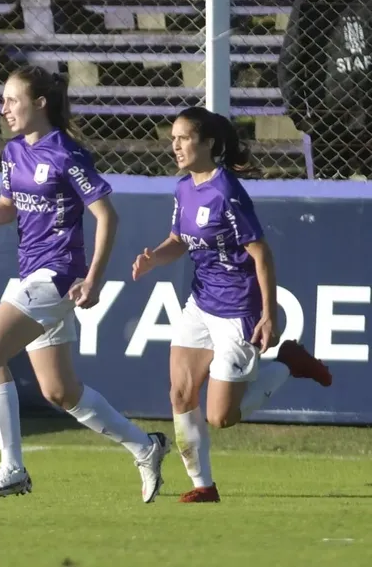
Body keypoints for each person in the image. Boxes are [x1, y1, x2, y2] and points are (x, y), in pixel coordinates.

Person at [0, 66, 171, 503]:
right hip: (30, 275)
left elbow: (106, 216)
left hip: (56, 277)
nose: (3, 110)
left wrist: (93, 278)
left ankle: (12, 467)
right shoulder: (13, 151)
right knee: (60, 391)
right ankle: (145, 446)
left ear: (39, 104)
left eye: (12, 101)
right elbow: (8, 204)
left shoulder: (66, 154)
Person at [132, 107, 333, 503]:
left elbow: (261, 255)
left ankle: (288, 363)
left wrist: (269, 314)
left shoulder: (227, 192)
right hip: (201, 302)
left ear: (208, 143)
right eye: (172, 138)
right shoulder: (184, 188)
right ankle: (203, 486)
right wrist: (154, 257)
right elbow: (178, 240)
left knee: (220, 418)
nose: (175, 145)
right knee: (180, 394)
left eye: (183, 138)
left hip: (238, 310)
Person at [278, 0, 372, 179]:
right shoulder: (310, 4)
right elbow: (290, 61)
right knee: (330, 189)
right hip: (329, 118)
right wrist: (299, 114)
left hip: (369, 112)